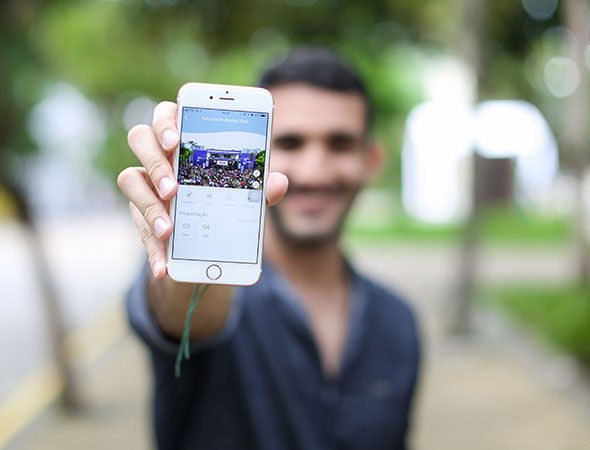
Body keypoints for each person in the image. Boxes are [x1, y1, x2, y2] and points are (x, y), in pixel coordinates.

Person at [117, 47, 421, 450]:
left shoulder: (397, 322)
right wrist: (182, 228)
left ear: (372, 161)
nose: (313, 172)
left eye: (340, 144)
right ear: (256, 153)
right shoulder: (209, 279)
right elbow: (177, 312)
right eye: (291, 143)